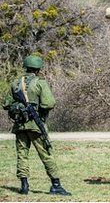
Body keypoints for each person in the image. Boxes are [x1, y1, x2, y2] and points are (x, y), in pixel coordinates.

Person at [2, 55, 71, 195]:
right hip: (35, 125)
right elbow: (49, 103)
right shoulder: (40, 82)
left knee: (22, 154)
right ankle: (56, 185)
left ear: (26, 66)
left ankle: (24, 185)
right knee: (46, 153)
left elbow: (6, 104)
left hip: (20, 125)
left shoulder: (15, 83)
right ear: (38, 68)